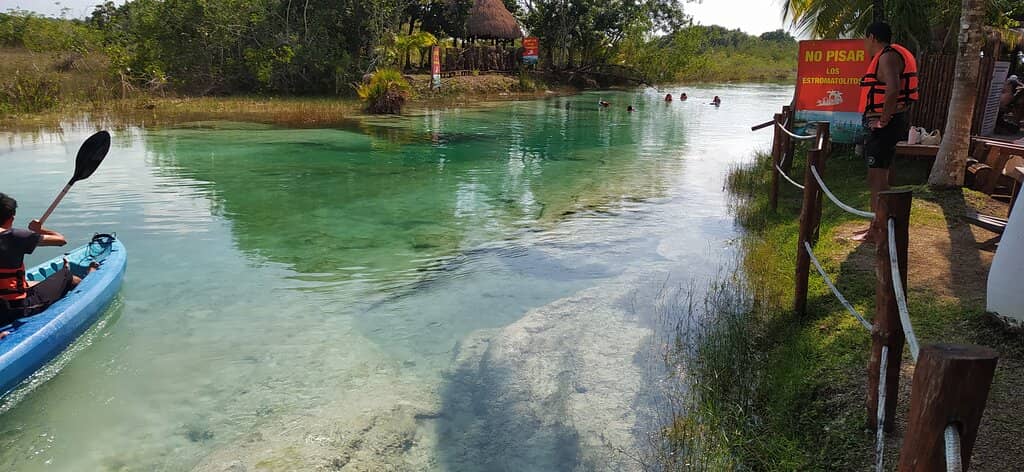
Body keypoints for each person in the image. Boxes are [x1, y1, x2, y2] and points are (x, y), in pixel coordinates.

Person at [853, 21, 918, 242]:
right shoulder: (890, 54)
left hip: (884, 126)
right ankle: (878, 224)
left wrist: (883, 119)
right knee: (881, 173)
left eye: (865, 39)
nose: (864, 44)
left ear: (872, 37)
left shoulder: (886, 56)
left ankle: (877, 229)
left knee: (876, 176)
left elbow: (893, 89)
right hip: (889, 124)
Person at [0, 193, 86, 340]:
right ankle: (86, 298)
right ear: (12, 218)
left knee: (29, 283)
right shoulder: (17, 236)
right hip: (17, 309)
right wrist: (39, 230)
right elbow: (61, 240)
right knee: (67, 276)